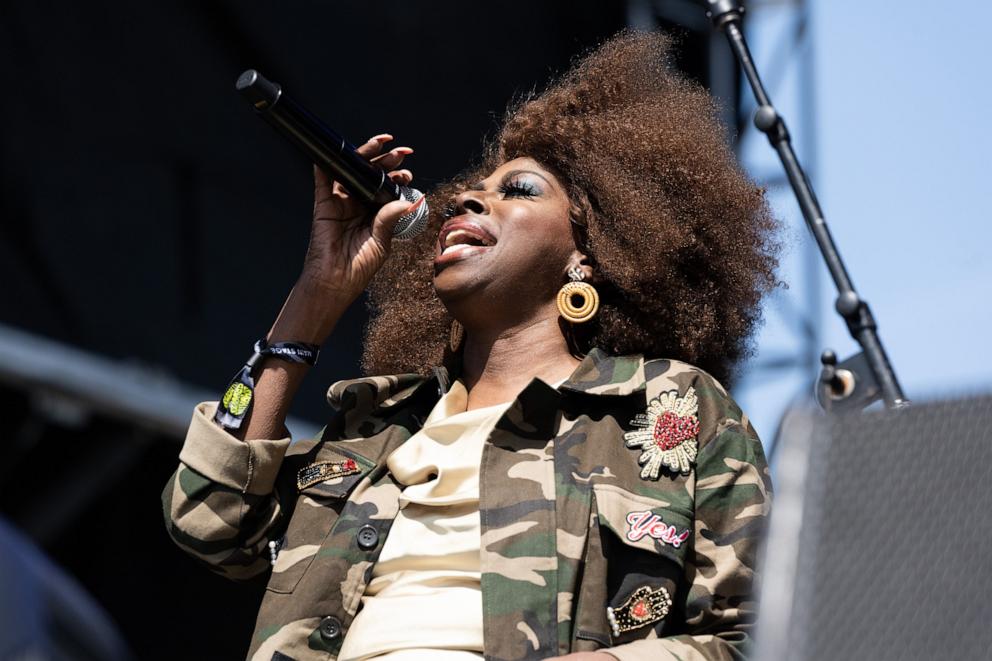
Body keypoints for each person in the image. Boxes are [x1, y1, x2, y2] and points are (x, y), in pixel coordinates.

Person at [163, 31, 778, 661]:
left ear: (588, 256)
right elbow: (210, 521)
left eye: (519, 189)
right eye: (470, 189)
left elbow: (749, 637)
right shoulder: (375, 426)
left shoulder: (666, 407)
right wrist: (319, 289)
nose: (467, 195)